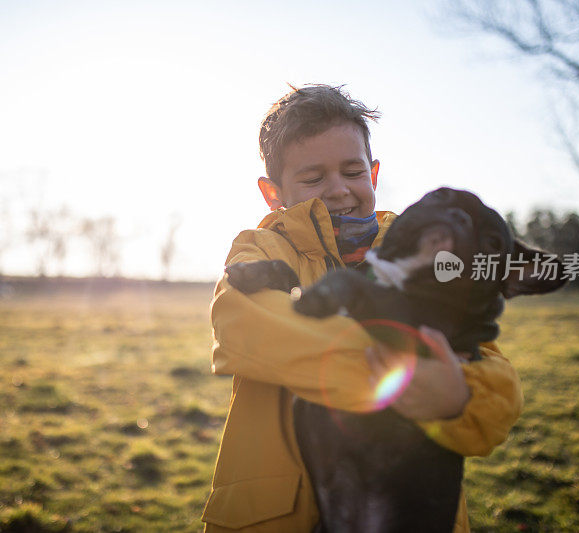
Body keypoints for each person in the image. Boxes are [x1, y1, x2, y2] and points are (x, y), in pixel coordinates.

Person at [202, 84, 523, 533]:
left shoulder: (428, 254)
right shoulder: (261, 249)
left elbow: (495, 379)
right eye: (313, 179)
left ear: (373, 175)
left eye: (352, 171)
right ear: (273, 194)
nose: (339, 191)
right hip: (280, 517)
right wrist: (413, 379)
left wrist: (458, 396)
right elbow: (246, 323)